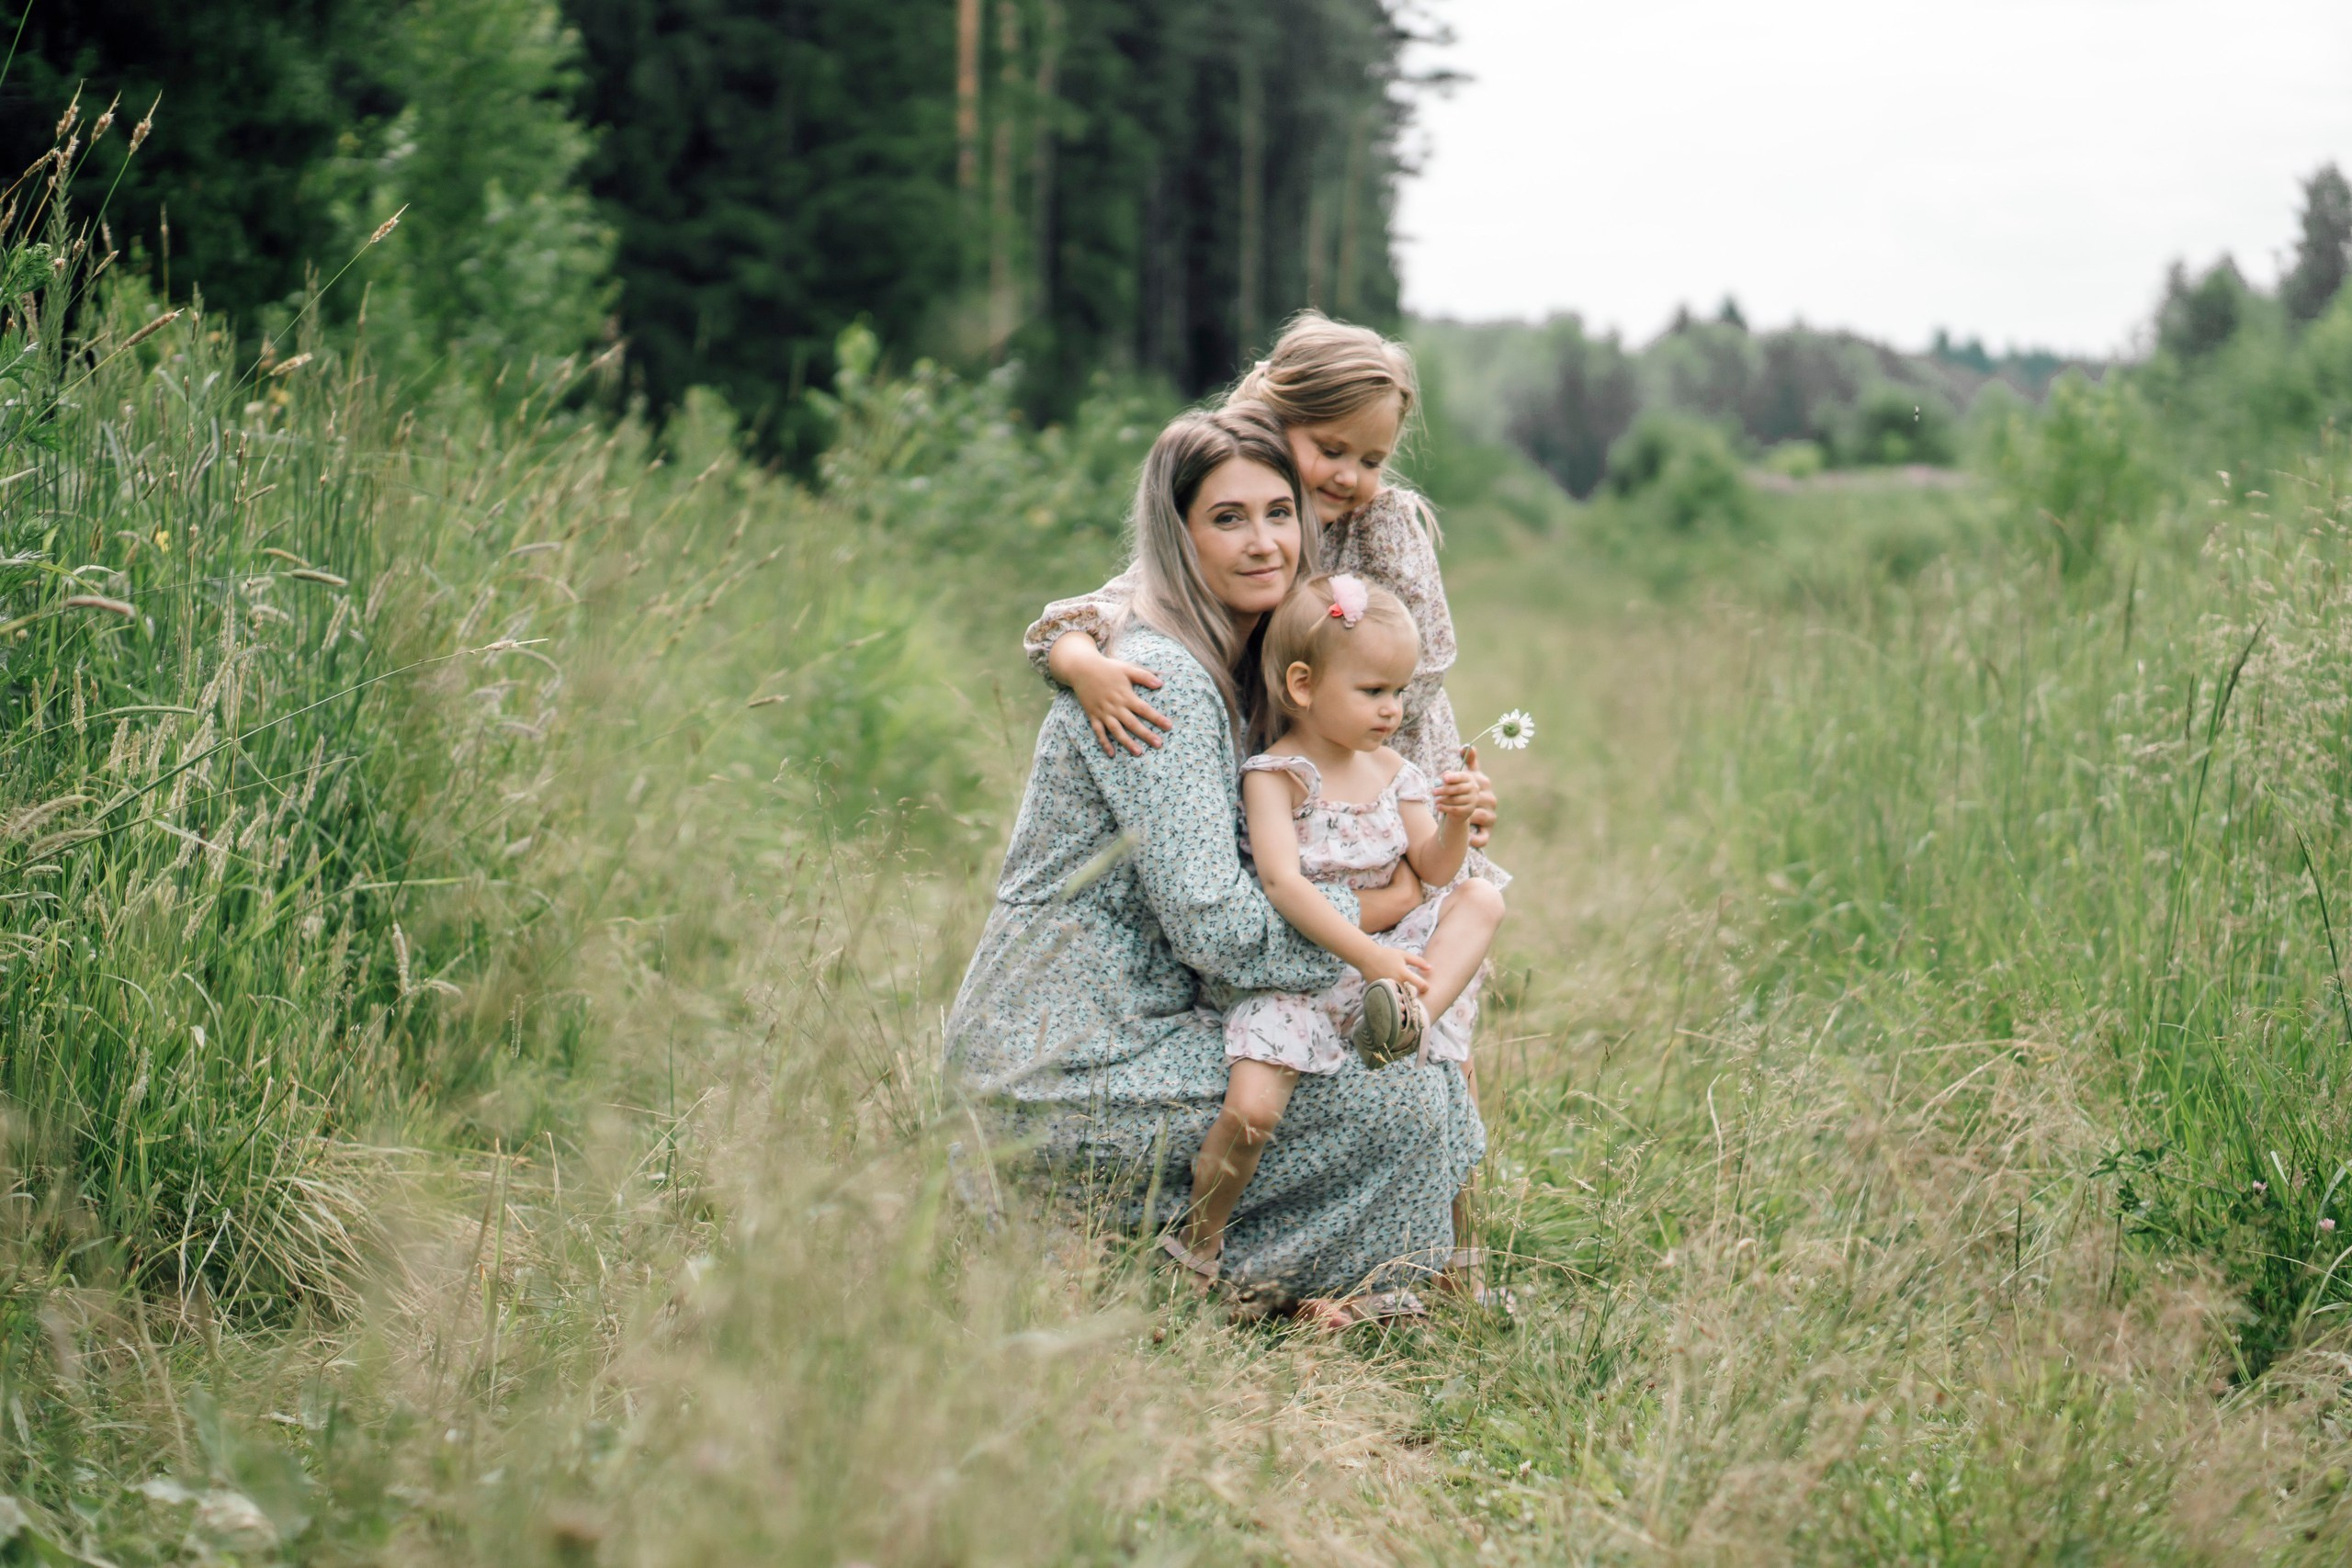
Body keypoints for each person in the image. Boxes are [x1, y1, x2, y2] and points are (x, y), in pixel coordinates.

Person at [945, 405, 1483, 1327]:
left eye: (1280, 513)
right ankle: (1188, 1278)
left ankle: (1300, 1271)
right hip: (1063, 1064)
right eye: (1227, 519)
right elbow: (1219, 926)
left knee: (1403, 1087)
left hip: (1144, 1026)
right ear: (1175, 533)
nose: (1264, 541)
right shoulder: (1157, 680)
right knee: (1394, 1103)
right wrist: (1384, 921)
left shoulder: (1239, 666)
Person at [1023, 310, 1507, 891]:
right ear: (1275, 423)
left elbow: (1417, 674)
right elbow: (1103, 610)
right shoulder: (1234, 524)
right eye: (1331, 450)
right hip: (1299, 788)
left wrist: (1434, 800)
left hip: (1384, 772)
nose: (1350, 477)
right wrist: (1085, 667)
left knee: (1424, 937)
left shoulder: (1380, 528)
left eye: (1371, 461)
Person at [1164, 572, 1506, 1296]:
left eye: (1400, 691)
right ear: (1302, 683)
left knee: (1480, 897)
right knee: (1251, 1110)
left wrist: (1451, 818)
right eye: (1375, 691)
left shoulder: (1396, 771)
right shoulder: (1276, 776)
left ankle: (1411, 1027)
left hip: (1391, 974)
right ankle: (1200, 1244)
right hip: (1306, 972)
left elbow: (1435, 870)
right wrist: (1370, 956)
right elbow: (1284, 885)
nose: (1394, 710)